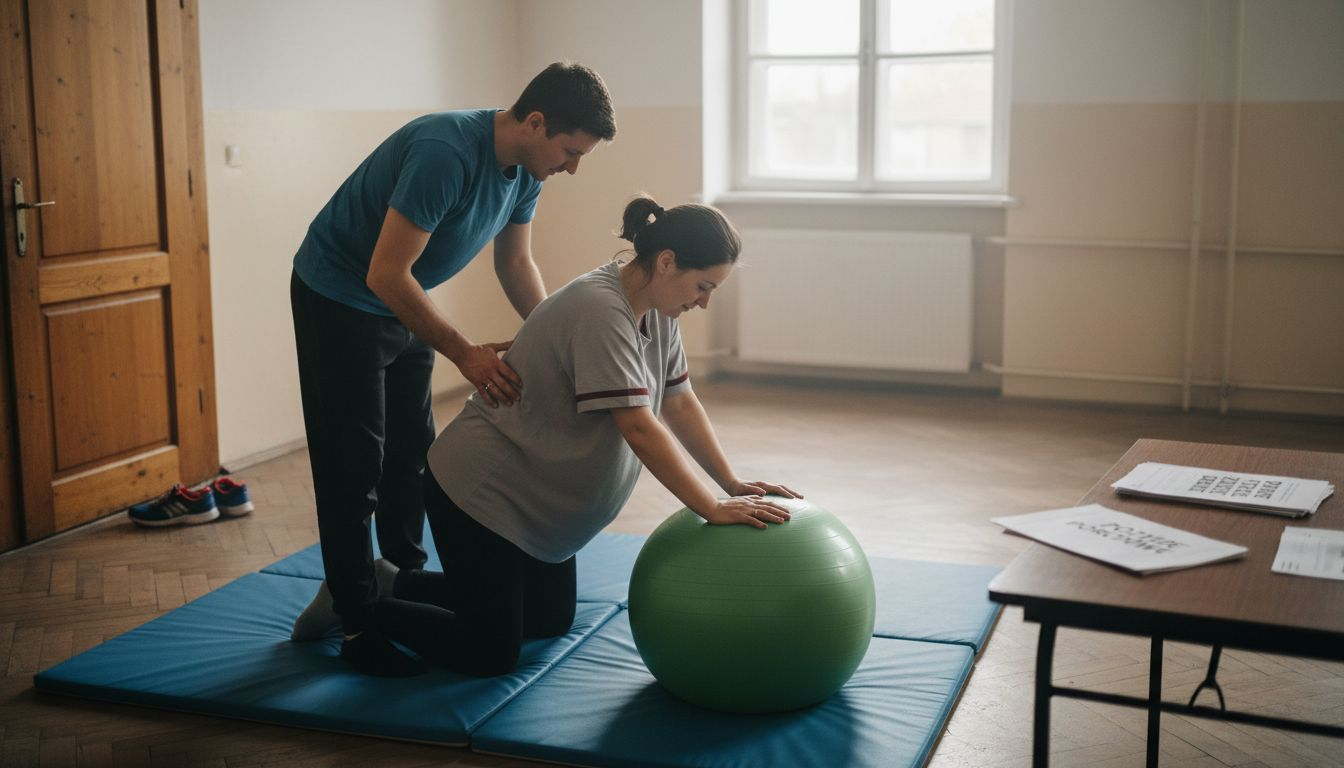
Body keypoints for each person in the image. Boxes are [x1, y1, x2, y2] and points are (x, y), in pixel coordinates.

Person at [302, 195, 801, 677]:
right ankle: (356, 604)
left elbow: (679, 402)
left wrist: (730, 483)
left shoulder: (657, 310)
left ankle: (393, 581)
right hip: (482, 495)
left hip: (535, 504)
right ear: (667, 262)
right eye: (704, 287)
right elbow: (639, 428)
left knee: (546, 619)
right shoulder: (601, 310)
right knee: (488, 655)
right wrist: (709, 508)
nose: (705, 303)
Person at [288, 62, 616, 676]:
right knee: (351, 462)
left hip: (403, 297)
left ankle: (400, 580)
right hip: (340, 296)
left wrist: (553, 341)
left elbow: (515, 263)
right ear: (537, 123)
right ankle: (358, 618)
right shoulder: (446, 151)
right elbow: (383, 273)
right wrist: (463, 351)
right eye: (571, 152)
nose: (572, 168)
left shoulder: (525, 169)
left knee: (412, 450)